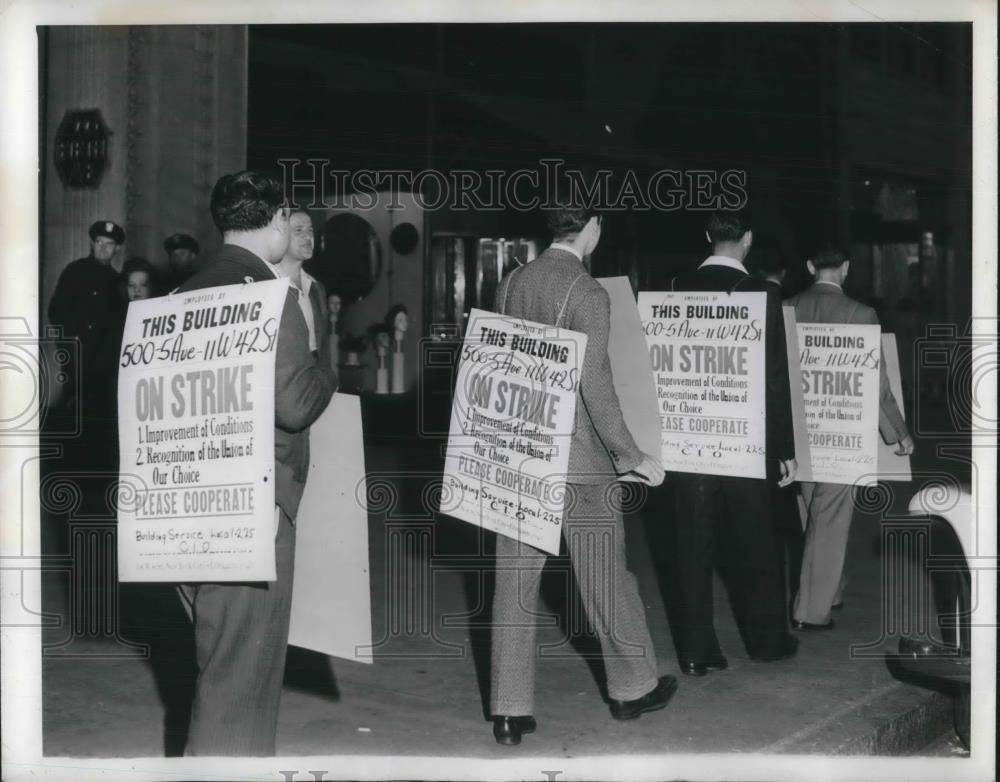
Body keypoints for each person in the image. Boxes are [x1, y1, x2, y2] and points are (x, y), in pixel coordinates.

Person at [488, 204, 676, 747]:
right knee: (604, 579)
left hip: (520, 454)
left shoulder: (510, 284)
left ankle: (508, 710)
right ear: (592, 227)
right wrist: (629, 453)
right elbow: (594, 382)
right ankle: (631, 689)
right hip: (581, 466)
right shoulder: (588, 293)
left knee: (515, 583)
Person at [174, 171, 337, 756]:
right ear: (273, 223)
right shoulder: (272, 295)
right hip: (254, 505)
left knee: (216, 656)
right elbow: (296, 403)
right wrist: (327, 368)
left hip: (186, 499)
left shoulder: (181, 293)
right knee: (243, 676)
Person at [665, 209, 799, 676]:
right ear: (748, 238)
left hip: (690, 442)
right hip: (747, 443)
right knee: (758, 547)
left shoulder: (676, 288)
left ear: (707, 236)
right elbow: (776, 382)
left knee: (691, 548)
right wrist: (784, 448)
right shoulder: (764, 294)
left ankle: (697, 651)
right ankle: (768, 643)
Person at [789, 247, 914, 630]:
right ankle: (811, 612)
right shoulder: (861, 314)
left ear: (810, 265)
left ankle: (832, 590)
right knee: (830, 521)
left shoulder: (788, 306)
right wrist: (898, 432)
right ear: (845, 267)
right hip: (842, 432)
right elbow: (876, 387)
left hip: (798, 431)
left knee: (811, 516)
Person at [746, 236, 805, 600]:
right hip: (777, 434)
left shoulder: (745, 298)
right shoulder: (776, 304)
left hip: (747, 432)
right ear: (784, 272)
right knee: (787, 524)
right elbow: (778, 381)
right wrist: (786, 447)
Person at [48, 219, 127, 463]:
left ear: (117, 249)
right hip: (77, 357)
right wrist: (68, 348)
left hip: (103, 365)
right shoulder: (75, 271)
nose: (103, 248)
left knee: (98, 423)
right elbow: (56, 311)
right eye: (99, 243)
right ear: (92, 244)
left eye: (109, 244)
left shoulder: (118, 282)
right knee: (71, 418)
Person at [277, 209, 331, 370]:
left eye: (310, 230)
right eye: (298, 230)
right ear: (281, 236)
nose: (308, 237)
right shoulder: (271, 285)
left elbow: (323, 347)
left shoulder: (316, 288)